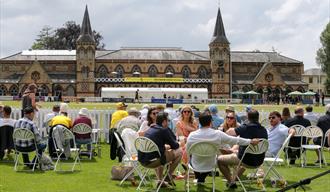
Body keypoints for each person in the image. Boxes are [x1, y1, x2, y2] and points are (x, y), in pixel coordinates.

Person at [186, 112, 258, 184]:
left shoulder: (192, 135)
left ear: (199, 122)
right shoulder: (217, 133)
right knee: (216, 158)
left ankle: (199, 176)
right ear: (211, 122)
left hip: (195, 164)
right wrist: (250, 141)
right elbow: (235, 140)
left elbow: (188, 151)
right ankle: (201, 177)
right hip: (211, 164)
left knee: (193, 156)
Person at [219, 109, 268, 189]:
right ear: (258, 118)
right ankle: (233, 180)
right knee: (242, 155)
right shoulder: (264, 130)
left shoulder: (245, 127)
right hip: (258, 161)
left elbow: (230, 132)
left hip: (245, 160)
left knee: (220, 160)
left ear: (248, 117)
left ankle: (231, 181)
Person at [138, 112, 182, 187]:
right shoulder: (163, 130)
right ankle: (168, 175)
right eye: (168, 120)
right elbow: (175, 145)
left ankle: (160, 181)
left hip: (143, 161)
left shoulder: (151, 129)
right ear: (164, 121)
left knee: (162, 152)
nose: (169, 122)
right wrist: (181, 142)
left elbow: (157, 145)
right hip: (154, 161)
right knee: (179, 151)